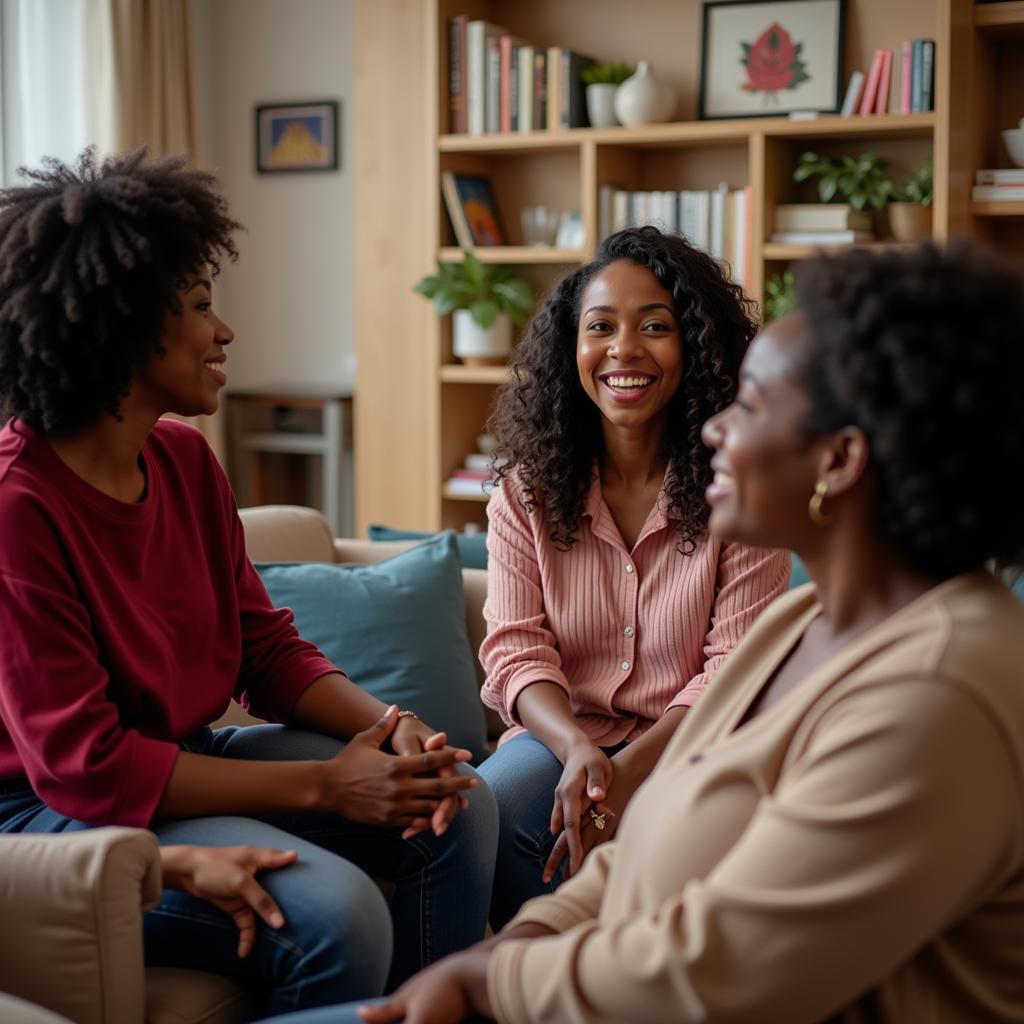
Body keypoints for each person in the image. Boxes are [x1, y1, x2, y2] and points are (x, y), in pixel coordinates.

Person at [265, 239, 1024, 1023]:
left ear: (838, 460)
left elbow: (724, 967)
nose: (718, 427)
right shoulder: (806, 622)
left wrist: (489, 985)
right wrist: (509, 948)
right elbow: (637, 857)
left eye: (753, 403)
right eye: (600, 327)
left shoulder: (937, 693)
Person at [0, 148, 497, 1018]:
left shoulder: (185, 459)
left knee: (457, 805)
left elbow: (264, 648)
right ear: (120, 328)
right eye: (198, 307)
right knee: (339, 918)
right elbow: (89, 769)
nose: (224, 331)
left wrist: (390, 726)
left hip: (180, 762)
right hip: (59, 824)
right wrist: (326, 785)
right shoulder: (18, 508)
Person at [476, 226, 790, 928]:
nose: (624, 349)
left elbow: (732, 670)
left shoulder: (741, 492)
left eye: (655, 326)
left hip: (694, 744)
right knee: (486, 808)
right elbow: (515, 651)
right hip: (560, 742)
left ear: (698, 348)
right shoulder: (525, 494)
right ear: (572, 348)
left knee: (680, 835)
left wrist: (627, 771)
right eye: (601, 328)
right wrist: (579, 750)